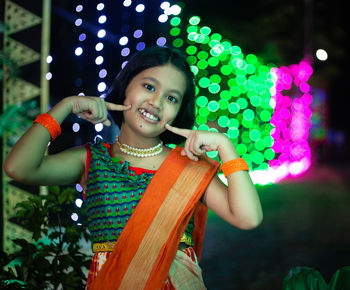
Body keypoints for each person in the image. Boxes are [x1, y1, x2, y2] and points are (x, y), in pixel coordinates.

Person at [3, 46, 263, 289]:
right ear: (126, 86)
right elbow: (19, 168)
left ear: (179, 111)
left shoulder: (187, 164)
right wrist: (67, 106)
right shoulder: (92, 159)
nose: (156, 102)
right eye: (149, 86)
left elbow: (248, 217)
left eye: (171, 98)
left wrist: (225, 146)